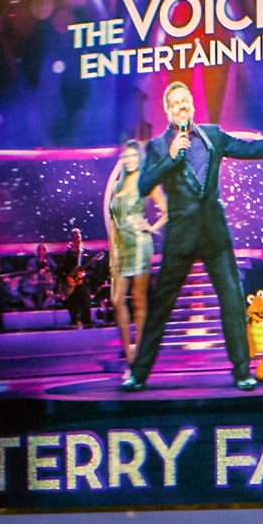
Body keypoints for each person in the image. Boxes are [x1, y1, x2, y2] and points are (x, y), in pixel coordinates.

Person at [122, 79, 263, 391]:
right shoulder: (158, 146)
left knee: (232, 300)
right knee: (161, 306)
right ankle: (139, 373)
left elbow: (250, 149)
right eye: (175, 103)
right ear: (168, 112)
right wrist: (170, 157)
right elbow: (144, 185)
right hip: (180, 236)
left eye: (185, 100)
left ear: (192, 105)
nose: (182, 106)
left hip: (214, 233)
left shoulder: (212, 134)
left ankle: (242, 372)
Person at [103, 135, 163, 362]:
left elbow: (166, 210)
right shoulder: (119, 184)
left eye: (133, 155)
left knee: (138, 301)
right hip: (120, 247)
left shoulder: (146, 182)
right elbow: (113, 220)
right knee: (116, 300)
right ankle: (129, 353)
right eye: (126, 156)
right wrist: (113, 253)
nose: (129, 160)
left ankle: (138, 354)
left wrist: (151, 227)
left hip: (139, 245)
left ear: (140, 157)